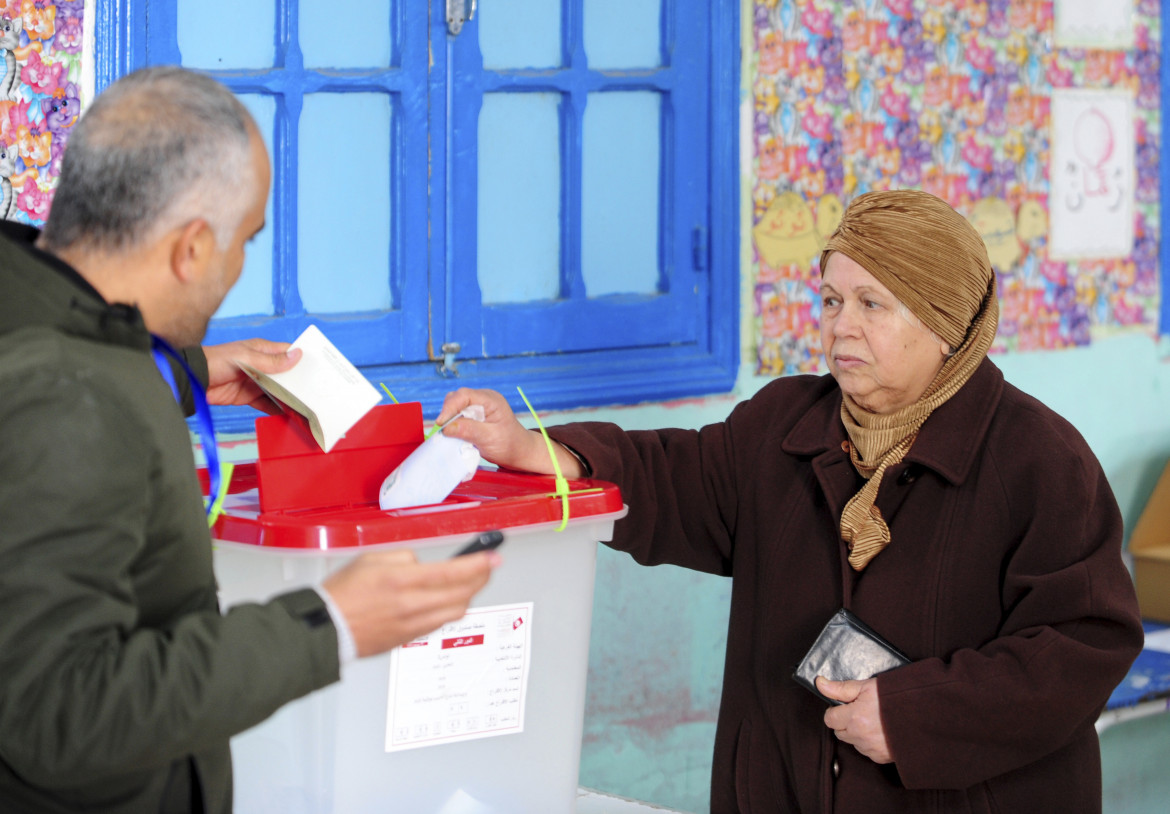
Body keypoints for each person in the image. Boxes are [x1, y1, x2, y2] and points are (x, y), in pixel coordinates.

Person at [435, 189, 1143, 813]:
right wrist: (534, 451)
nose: (842, 327)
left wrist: (915, 717)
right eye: (832, 300)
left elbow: (1080, 647)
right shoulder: (787, 425)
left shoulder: (1040, 461)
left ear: (944, 323)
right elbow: (674, 476)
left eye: (873, 304)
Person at [0, 66, 497, 813]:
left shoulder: (34, 314)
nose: (237, 268)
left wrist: (185, 370)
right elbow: (56, 712)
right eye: (245, 241)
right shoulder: (73, 396)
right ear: (193, 248)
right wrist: (329, 625)